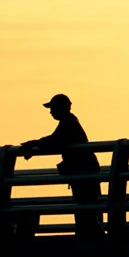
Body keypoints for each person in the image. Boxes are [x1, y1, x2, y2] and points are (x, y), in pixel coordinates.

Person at [20, 93, 104, 239]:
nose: (50, 112)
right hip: (85, 170)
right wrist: (35, 144)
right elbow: (55, 141)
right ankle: (89, 234)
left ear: (62, 108)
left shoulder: (68, 123)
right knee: (86, 206)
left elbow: (54, 141)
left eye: (52, 108)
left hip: (84, 171)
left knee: (85, 205)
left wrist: (34, 144)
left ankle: (90, 236)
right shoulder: (69, 122)